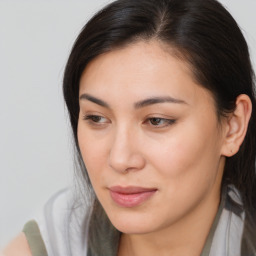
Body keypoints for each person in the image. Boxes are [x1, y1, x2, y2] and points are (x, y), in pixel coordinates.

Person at [3, 0, 256, 255]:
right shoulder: (56, 238)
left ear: (232, 126)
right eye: (97, 118)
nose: (120, 159)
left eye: (157, 120)